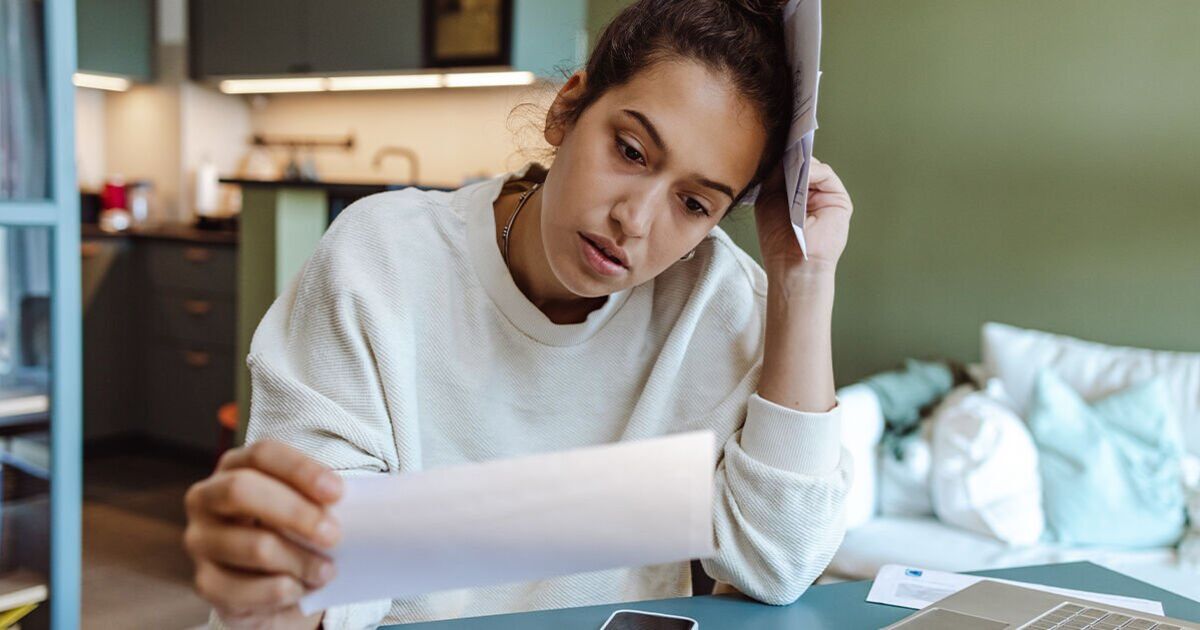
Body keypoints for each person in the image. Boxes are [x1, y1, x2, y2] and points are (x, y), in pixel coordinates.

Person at [183, 0, 855, 627]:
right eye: (630, 151)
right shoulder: (379, 260)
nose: (635, 220)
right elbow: (319, 575)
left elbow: (780, 559)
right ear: (568, 110)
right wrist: (276, 578)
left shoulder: (718, 304)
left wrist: (804, 279)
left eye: (695, 203)